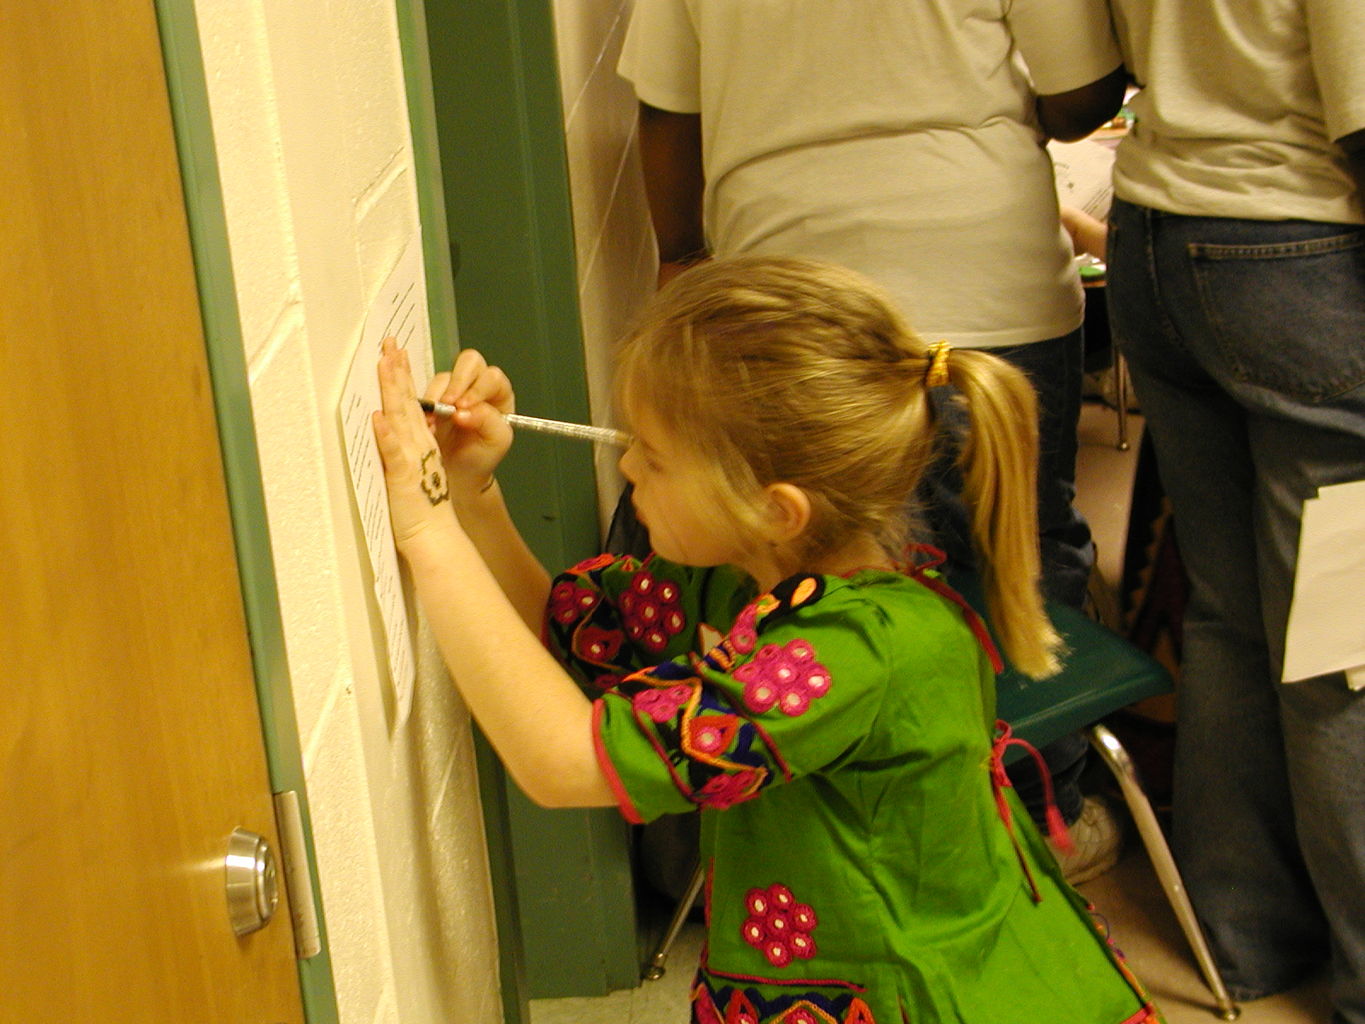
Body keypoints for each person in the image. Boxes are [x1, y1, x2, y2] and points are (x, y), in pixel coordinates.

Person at [374, 257, 1163, 1024]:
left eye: (654, 454)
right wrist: (473, 491)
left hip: (920, 995)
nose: (628, 466)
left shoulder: (858, 649)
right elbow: (563, 633)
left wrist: (427, 524)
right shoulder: (745, 575)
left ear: (774, 508)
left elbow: (563, 760)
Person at [615, 0, 1132, 880]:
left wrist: (680, 256)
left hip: (787, 284)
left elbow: (666, 107)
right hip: (984, 279)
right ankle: (1035, 818)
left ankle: (850, 838)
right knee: (1015, 551)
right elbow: (1081, 93)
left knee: (809, 576)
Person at [1096, 0, 1365, 1018]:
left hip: (1158, 235)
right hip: (1299, 245)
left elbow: (1093, 69)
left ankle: (1243, 938)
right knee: (1347, 637)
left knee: (1233, 611)